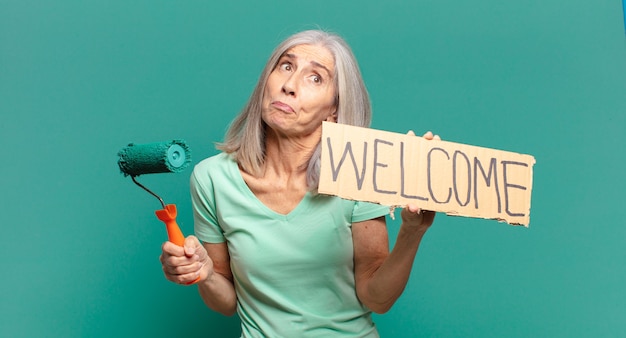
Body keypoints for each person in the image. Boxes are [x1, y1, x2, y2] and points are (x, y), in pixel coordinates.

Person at [160, 29, 439, 337]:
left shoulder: (359, 174)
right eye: (286, 66)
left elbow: (377, 298)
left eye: (315, 78)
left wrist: (413, 232)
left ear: (334, 109)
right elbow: (225, 303)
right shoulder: (212, 179)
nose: (289, 86)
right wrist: (206, 273)